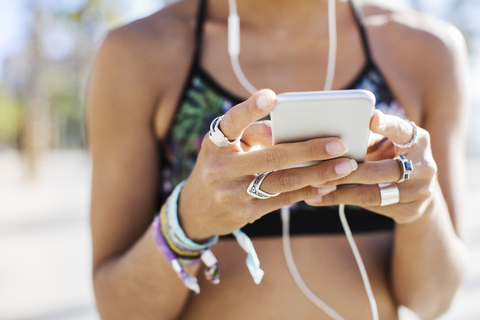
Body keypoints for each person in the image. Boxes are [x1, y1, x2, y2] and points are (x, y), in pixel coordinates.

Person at [86, 0, 468, 319]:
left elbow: (433, 301)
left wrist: (421, 206)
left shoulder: (425, 51)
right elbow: (118, 308)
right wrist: (189, 220)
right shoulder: (139, 53)